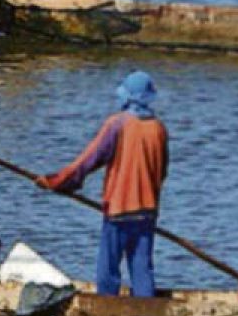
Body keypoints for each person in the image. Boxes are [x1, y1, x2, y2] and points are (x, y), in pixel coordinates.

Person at [36, 71, 170, 297]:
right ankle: (147, 308)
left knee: (108, 269)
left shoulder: (117, 124)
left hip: (119, 211)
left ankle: (108, 306)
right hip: (147, 211)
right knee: (142, 268)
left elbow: (87, 161)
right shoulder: (158, 129)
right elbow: (162, 171)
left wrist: (57, 182)